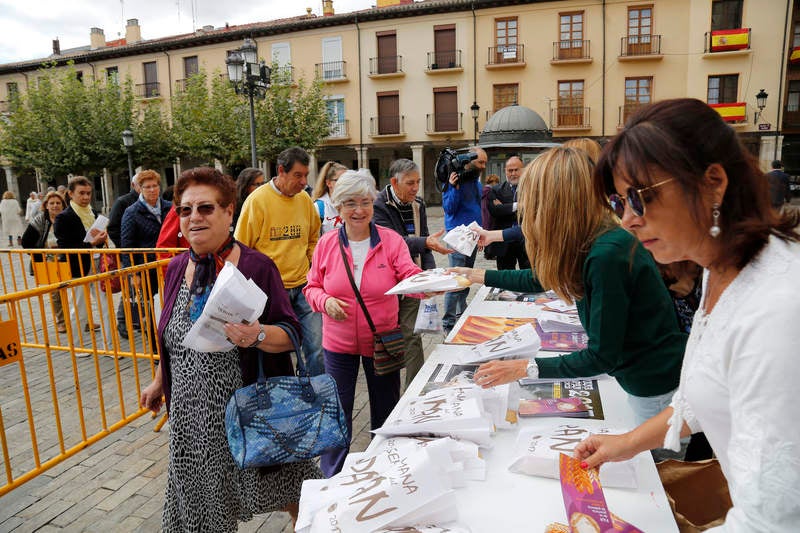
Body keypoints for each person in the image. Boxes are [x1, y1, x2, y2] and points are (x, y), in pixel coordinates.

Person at [573, 98, 800, 529]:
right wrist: (627, 444)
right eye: (618, 202)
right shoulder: (723, 271)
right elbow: (702, 392)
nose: (627, 220)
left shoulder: (776, 308)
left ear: (713, 182)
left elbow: (772, 520)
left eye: (638, 198)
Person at [139, 167, 321, 531]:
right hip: (193, 420)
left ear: (229, 212)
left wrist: (255, 335)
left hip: (252, 412)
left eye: (205, 208)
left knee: (298, 497)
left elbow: (292, 333)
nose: (194, 217)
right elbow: (174, 339)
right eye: (185, 210)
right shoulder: (176, 267)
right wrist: (160, 380)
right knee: (203, 509)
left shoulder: (256, 266)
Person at [452, 147, 686, 426]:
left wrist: (525, 367)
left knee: (654, 463)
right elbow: (543, 277)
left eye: (533, 202)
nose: (528, 213)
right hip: (644, 379)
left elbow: (601, 357)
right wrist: (476, 275)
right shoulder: (593, 239)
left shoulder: (606, 254)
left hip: (655, 387)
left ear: (554, 204)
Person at [304, 170, 424, 476]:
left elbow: (409, 275)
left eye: (365, 202)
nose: (359, 210)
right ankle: (333, 477)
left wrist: (429, 284)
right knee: (337, 414)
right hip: (338, 345)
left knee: (385, 410)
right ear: (339, 207)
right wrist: (325, 302)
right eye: (350, 203)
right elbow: (311, 287)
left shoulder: (391, 241)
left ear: (373, 203)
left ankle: (384, 471)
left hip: (382, 340)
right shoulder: (327, 244)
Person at [235, 147, 324, 376]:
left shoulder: (304, 200)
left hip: (304, 286)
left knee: (317, 348)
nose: (304, 181)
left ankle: (314, 393)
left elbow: (314, 237)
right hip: (271, 292)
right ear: (281, 171)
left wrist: (311, 262)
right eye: (298, 175)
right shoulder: (257, 201)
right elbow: (241, 249)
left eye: (306, 175)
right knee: (277, 352)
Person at [373, 158, 451, 386]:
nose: (415, 187)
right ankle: (388, 386)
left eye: (417, 182)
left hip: (411, 280)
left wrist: (430, 277)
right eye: (410, 183)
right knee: (387, 339)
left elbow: (425, 240)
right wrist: (425, 242)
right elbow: (392, 244)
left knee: (412, 336)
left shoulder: (418, 204)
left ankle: (413, 389)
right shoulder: (378, 206)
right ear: (394, 182)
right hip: (386, 283)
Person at [119, 170, 172, 340]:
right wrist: (133, 274)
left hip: (169, 264)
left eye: (155, 185)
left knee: (169, 303)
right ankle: (155, 344)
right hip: (147, 268)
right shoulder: (132, 212)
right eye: (147, 187)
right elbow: (127, 245)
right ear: (140, 189)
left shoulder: (169, 207)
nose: (152, 190)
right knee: (152, 306)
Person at [54, 176, 108, 336]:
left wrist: (101, 239)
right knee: (80, 309)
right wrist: (91, 244)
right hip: (78, 267)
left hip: (98, 263)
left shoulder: (92, 212)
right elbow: (65, 247)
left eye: (88, 193)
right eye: (81, 193)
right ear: (71, 194)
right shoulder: (63, 217)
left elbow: (95, 240)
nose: (86, 197)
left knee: (105, 306)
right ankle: (78, 347)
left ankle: (110, 345)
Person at [442, 146, 486, 334]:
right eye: (480, 162)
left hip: (472, 235)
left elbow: (478, 208)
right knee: (456, 279)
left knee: (466, 276)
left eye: (485, 162)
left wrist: (481, 233)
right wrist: (454, 188)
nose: (483, 166)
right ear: (469, 160)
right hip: (458, 236)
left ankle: (461, 311)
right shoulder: (453, 180)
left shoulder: (475, 181)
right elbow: (449, 209)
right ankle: (448, 322)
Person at [22, 190, 68, 333]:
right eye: (52, 203)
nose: (55, 206)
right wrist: (38, 256)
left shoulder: (67, 218)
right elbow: (26, 241)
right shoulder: (41, 219)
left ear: (63, 205)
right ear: (46, 205)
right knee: (56, 294)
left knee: (73, 291)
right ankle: (61, 321)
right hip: (49, 262)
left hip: (67, 260)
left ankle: (79, 319)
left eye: (58, 203)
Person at [108, 174, 142, 332]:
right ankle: (122, 321)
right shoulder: (123, 202)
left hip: (147, 253)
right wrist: (125, 247)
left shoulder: (154, 201)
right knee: (130, 287)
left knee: (144, 288)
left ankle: (139, 319)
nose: (147, 189)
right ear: (133, 185)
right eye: (142, 185)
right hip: (129, 252)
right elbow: (113, 228)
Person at [486, 156, 530, 270]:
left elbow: (533, 210)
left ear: (523, 170)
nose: (513, 173)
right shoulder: (496, 190)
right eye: (510, 170)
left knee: (528, 277)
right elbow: (495, 211)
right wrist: (519, 205)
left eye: (516, 170)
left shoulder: (532, 189)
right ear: (505, 171)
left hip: (526, 241)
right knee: (505, 278)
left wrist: (505, 208)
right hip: (504, 242)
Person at [311, 161, 348, 235]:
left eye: (347, 180)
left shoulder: (353, 205)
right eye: (341, 180)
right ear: (328, 183)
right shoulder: (319, 207)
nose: (345, 184)